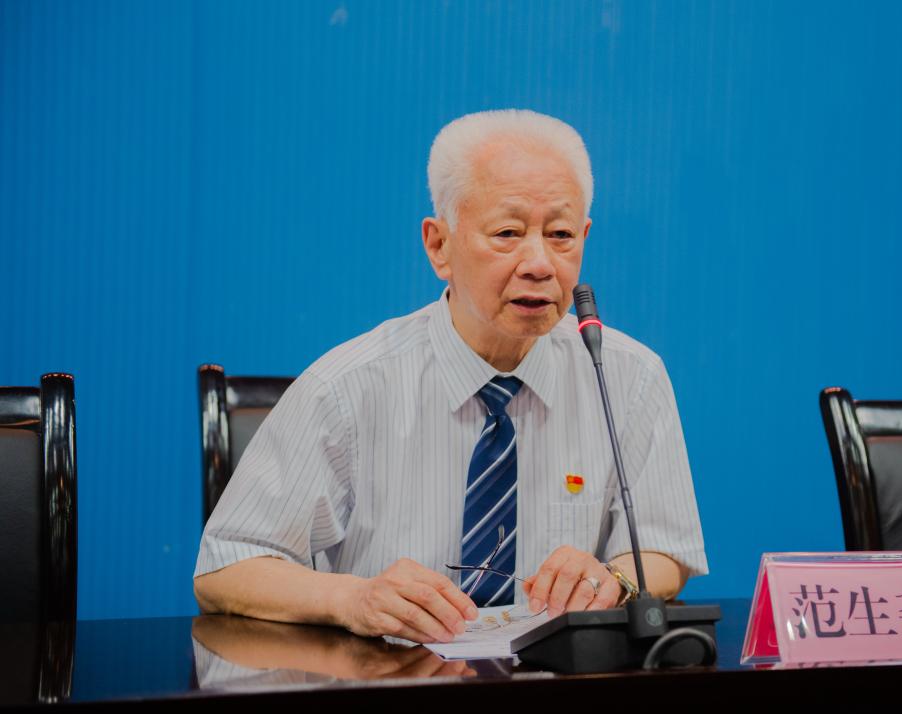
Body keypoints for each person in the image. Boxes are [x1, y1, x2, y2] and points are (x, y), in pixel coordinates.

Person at [194, 109, 707, 645]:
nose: (539, 264)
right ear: (439, 245)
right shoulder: (346, 387)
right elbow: (227, 566)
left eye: (560, 235)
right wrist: (353, 599)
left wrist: (613, 578)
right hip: (389, 677)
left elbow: (666, 550)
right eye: (508, 233)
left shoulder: (627, 376)